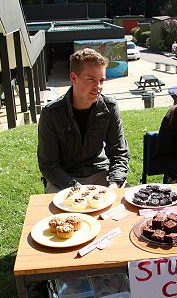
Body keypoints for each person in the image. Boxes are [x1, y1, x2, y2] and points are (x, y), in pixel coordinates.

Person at [37, 48, 130, 193]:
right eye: (91, 79)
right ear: (74, 78)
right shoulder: (51, 113)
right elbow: (48, 164)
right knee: (61, 214)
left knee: (120, 209)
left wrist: (114, 184)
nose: (98, 87)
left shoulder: (109, 108)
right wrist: (75, 187)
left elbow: (119, 153)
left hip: (100, 172)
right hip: (64, 178)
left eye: (101, 80)